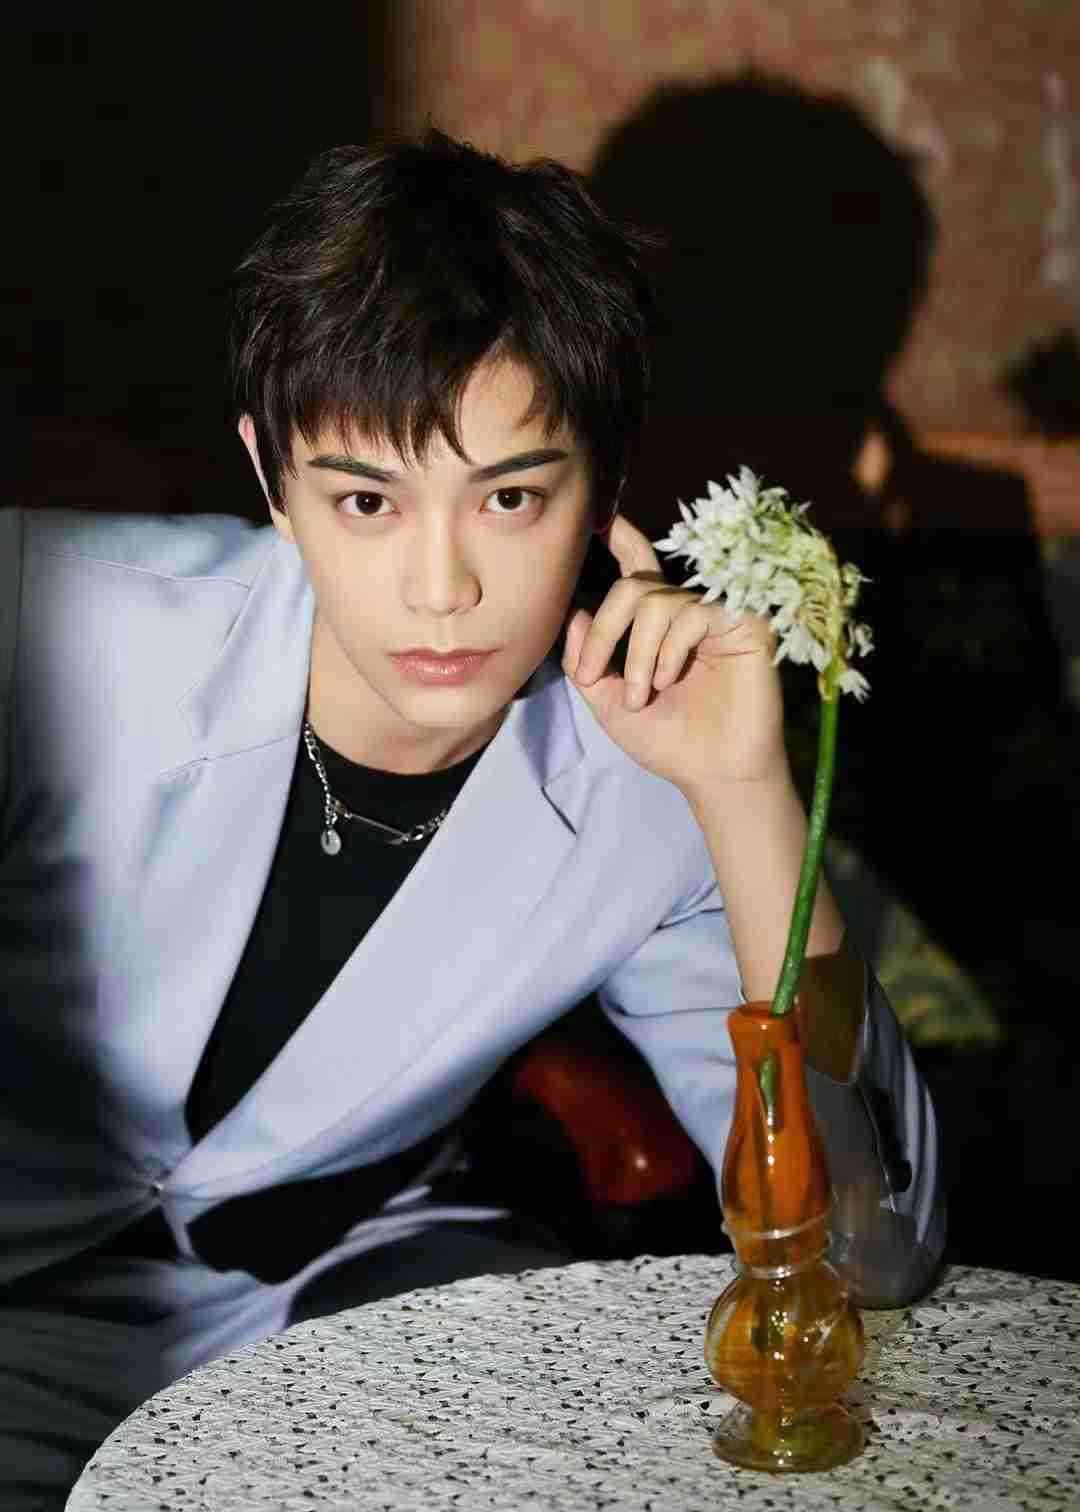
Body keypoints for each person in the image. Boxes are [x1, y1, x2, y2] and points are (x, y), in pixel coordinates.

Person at [0, 128, 944, 1508]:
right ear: (271, 481)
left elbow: (872, 1254)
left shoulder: (654, 779)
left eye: (508, 497)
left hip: (343, 1305)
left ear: (603, 486)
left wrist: (745, 798)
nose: (441, 589)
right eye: (367, 500)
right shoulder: (49, 626)